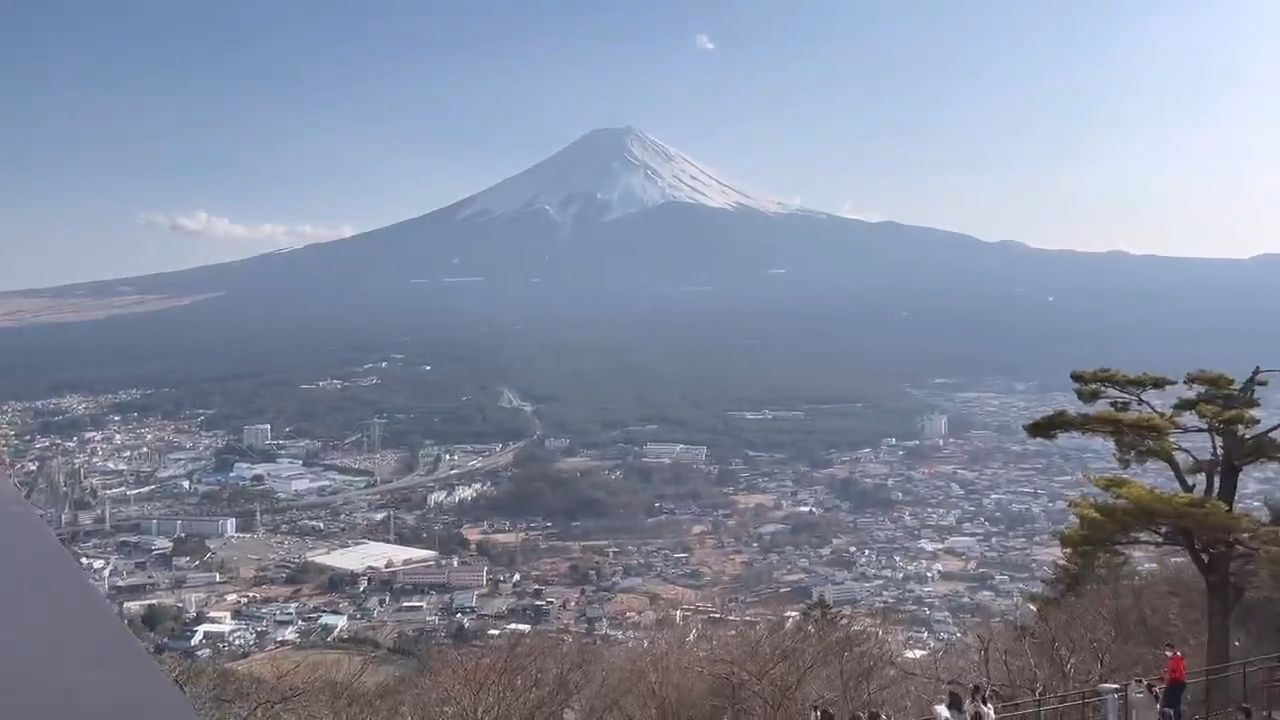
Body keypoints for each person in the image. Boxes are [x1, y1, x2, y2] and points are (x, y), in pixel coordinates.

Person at [1160, 642, 1187, 720]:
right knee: (1176, 702)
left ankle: (1171, 717)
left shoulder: (1176, 658)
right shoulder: (1175, 658)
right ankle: (1176, 717)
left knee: (1167, 701)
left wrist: (1169, 676)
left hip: (1176, 683)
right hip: (1178, 682)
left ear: (1172, 649)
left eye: (1167, 650)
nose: (1166, 652)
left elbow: (1177, 672)